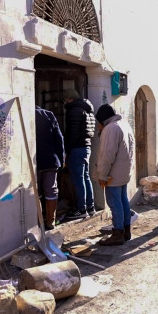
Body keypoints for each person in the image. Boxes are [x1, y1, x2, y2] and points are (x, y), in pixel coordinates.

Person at [94, 104, 135, 246]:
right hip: (123, 171)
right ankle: (126, 230)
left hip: (113, 173)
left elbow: (107, 155)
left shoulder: (110, 128)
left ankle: (118, 233)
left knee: (114, 202)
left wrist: (102, 175)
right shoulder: (123, 124)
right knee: (123, 200)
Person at [62, 88, 96, 221]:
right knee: (85, 177)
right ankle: (90, 207)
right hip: (86, 147)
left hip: (77, 148)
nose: (64, 101)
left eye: (65, 99)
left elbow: (72, 133)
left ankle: (82, 209)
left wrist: (67, 150)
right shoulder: (87, 109)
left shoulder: (74, 110)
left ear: (69, 98)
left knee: (78, 179)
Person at [35, 105, 65, 230]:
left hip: (34, 161)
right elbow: (59, 138)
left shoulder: (26, 114)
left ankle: (38, 222)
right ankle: (50, 222)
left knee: (35, 193)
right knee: (51, 191)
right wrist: (61, 158)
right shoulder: (49, 115)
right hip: (50, 160)